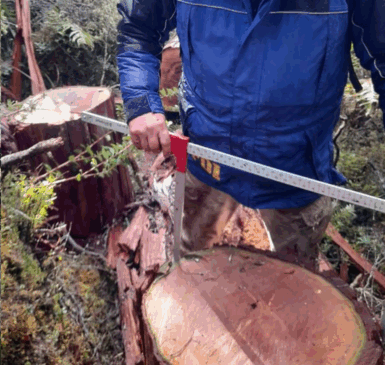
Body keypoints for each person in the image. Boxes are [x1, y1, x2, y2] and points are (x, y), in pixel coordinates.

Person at [116, 0, 385, 269]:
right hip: (205, 156)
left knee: (291, 288)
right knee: (193, 266)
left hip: (296, 173)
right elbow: (138, 28)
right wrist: (140, 102)